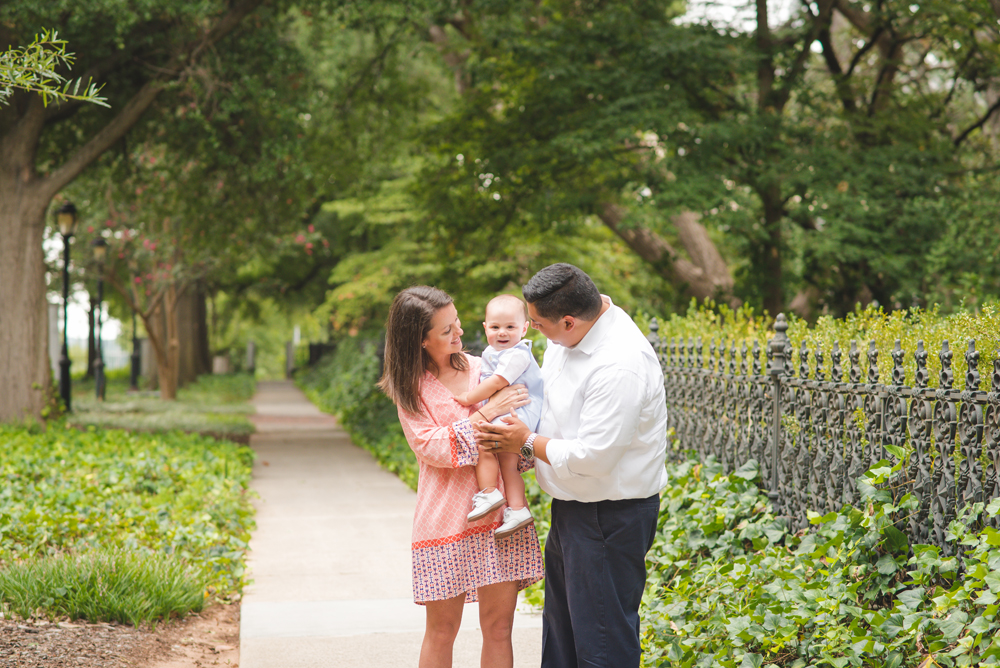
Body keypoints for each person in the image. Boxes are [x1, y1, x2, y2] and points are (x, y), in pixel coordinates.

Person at [475, 263, 668, 668]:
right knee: (562, 641)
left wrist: (525, 441)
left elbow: (595, 457)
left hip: (608, 518)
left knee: (601, 646)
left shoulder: (620, 363)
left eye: (538, 325)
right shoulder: (570, 335)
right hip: (572, 510)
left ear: (567, 320)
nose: (533, 331)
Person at [377, 285, 544, 668]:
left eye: (457, 322)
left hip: (500, 518)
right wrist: (488, 413)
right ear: (421, 340)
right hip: (444, 523)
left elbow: (520, 423)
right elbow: (435, 448)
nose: (459, 333)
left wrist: (500, 422)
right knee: (441, 630)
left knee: (499, 628)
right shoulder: (410, 390)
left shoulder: (486, 367)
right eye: (446, 330)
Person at [453, 294, 544, 538]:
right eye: (495, 327)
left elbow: (497, 382)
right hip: (513, 413)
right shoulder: (493, 352)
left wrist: (469, 398)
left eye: (510, 327)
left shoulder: (517, 354)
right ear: (485, 328)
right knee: (508, 464)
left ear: (524, 329)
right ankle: (517, 509)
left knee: (485, 443)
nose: (502, 332)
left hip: (518, 411)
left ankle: (489, 492)